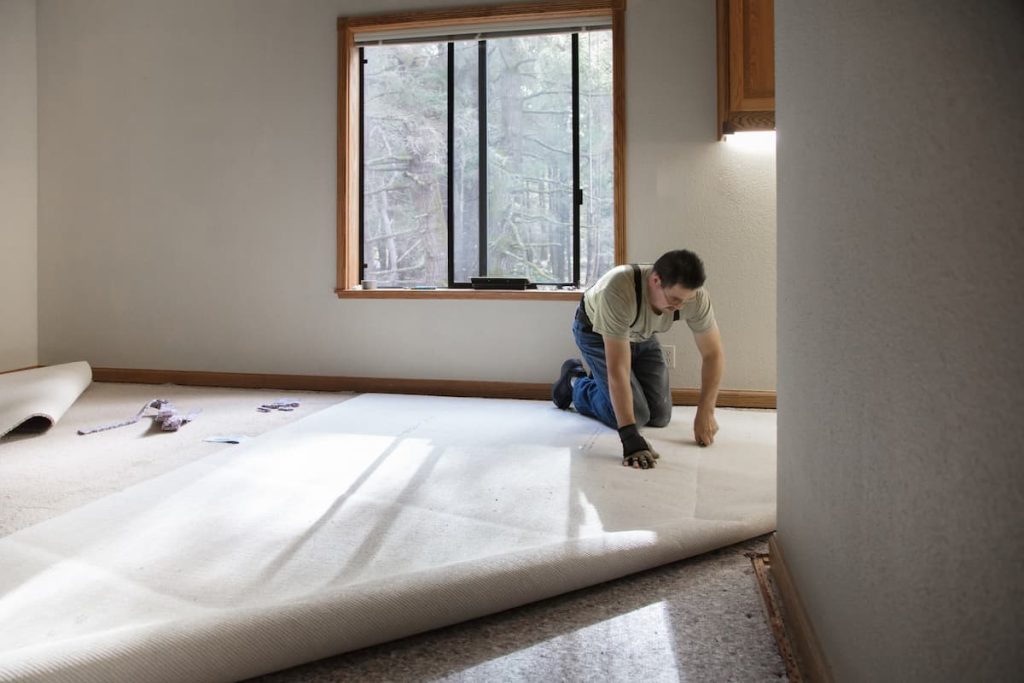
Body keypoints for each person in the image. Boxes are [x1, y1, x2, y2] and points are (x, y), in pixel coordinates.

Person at [551, 250, 724, 469]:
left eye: (686, 301)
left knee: (660, 416)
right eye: (675, 300)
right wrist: (629, 438)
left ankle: (601, 383)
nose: (681, 307)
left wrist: (706, 411)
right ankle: (575, 381)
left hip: (641, 333)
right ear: (655, 281)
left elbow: (713, 354)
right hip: (595, 332)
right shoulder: (619, 289)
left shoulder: (695, 298)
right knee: (637, 415)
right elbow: (618, 370)